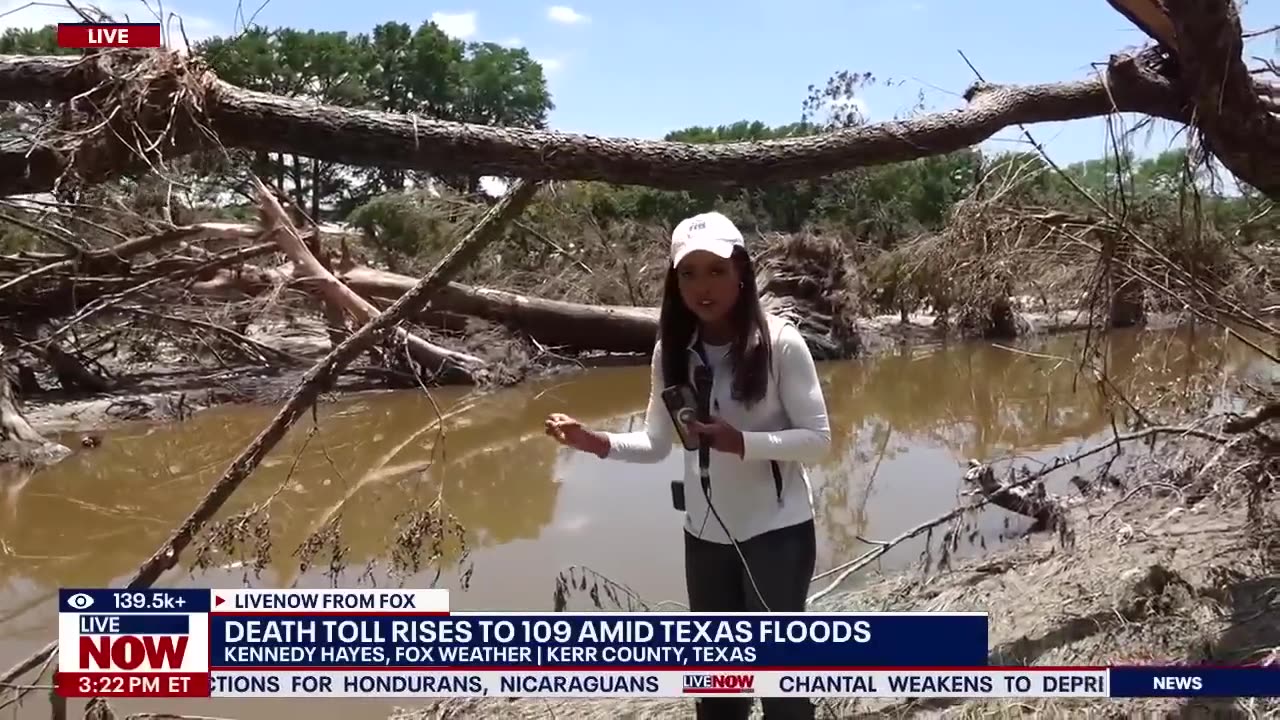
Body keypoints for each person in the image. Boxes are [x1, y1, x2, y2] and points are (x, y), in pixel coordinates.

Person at [544, 211, 832, 720]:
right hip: (703, 538)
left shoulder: (781, 343)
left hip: (776, 535)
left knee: (781, 687)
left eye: (716, 270)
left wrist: (741, 441)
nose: (704, 286)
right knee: (718, 690)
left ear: (741, 272)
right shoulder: (672, 351)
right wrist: (593, 441)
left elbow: (817, 442)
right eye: (689, 272)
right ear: (674, 282)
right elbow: (658, 444)